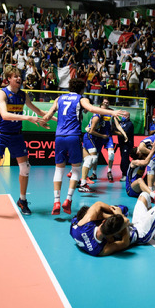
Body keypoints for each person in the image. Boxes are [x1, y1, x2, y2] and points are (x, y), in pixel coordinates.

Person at [0, 65, 52, 215]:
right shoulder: (2, 94)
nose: (19, 78)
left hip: (16, 135)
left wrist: (54, 118)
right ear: (8, 79)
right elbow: (5, 115)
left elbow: (38, 111)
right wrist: (27, 118)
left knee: (25, 168)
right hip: (1, 134)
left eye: (19, 76)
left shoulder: (23, 95)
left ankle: (22, 201)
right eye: (15, 76)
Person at [42, 78, 126, 215]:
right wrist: (112, 112)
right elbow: (92, 109)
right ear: (82, 89)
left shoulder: (59, 99)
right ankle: (68, 200)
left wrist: (43, 120)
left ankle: (56, 201)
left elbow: (49, 114)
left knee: (59, 170)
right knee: (76, 168)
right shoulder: (81, 99)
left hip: (59, 137)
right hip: (73, 136)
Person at [69, 197, 155, 257]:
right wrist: (121, 218)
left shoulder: (79, 229)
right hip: (140, 233)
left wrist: (116, 216)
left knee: (144, 196)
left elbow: (98, 207)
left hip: (131, 224)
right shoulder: (100, 248)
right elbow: (125, 243)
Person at [81, 98, 127, 184]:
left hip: (108, 137)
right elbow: (92, 123)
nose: (105, 104)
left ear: (108, 105)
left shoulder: (112, 113)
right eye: (104, 102)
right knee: (95, 158)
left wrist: (124, 134)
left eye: (107, 102)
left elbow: (117, 125)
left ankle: (109, 171)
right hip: (97, 137)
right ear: (101, 106)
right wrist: (88, 127)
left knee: (111, 154)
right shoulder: (97, 114)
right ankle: (93, 173)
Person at [114, 111, 134, 181]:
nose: (122, 117)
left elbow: (123, 133)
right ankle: (128, 173)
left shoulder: (129, 124)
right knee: (124, 158)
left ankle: (125, 174)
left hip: (127, 144)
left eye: (124, 116)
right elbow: (116, 126)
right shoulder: (121, 123)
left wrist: (113, 131)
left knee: (124, 159)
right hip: (121, 144)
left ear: (128, 117)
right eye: (122, 115)